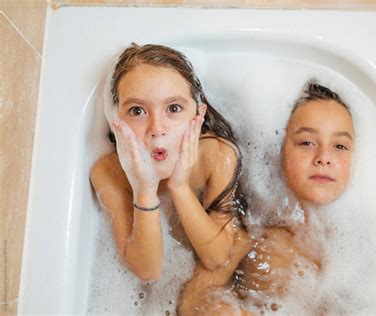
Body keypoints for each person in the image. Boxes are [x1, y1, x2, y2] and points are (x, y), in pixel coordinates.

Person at [177, 80, 355, 315]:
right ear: (278, 150)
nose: (324, 157)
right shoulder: (249, 227)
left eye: (340, 146)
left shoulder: (356, 243)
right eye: (307, 142)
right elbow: (192, 302)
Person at [90, 43, 252, 287]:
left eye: (173, 108)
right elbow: (148, 271)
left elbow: (217, 258)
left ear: (197, 116)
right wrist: (144, 189)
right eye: (137, 111)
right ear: (116, 121)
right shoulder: (109, 173)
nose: (157, 129)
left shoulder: (217, 154)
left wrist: (180, 186)